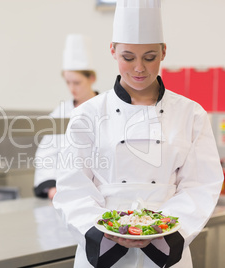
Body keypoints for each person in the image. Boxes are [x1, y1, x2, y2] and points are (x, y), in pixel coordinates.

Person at [53, 1, 224, 267]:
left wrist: (158, 229)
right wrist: (107, 231)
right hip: (103, 248)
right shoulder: (87, 115)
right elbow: (72, 187)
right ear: (112, 51)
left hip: (167, 246)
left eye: (150, 57)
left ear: (164, 52)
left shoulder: (191, 114)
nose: (139, 69)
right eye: (128, 57)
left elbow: (201, 185)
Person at [33, 34, 98, 199]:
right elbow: (46, 153)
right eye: (68, 83)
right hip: (65, 191)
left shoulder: (106, 109)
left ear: (91, 78)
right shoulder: (60, 114)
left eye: (76, 83)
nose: (72, 88)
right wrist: (51, 187)